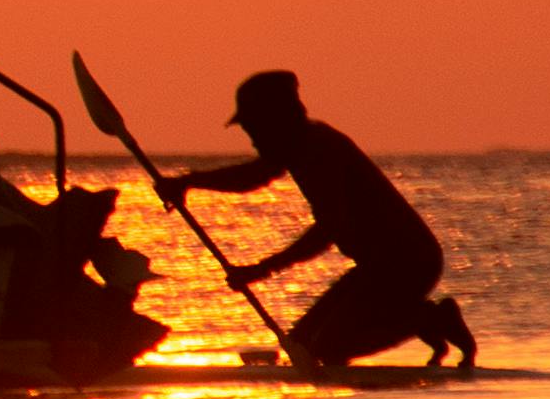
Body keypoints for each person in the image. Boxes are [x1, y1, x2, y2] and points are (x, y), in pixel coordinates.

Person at [173, 70, 475, 369]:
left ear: (276, 120)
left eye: (254, 127)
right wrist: (188, 182)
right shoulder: (296, 146)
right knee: (299, 346)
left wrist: (262, 270)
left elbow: (327, 230)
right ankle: (418, 318)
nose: (251, 139)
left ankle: (431, 319)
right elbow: (252, 176)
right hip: (374, 268)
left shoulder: (318, 149)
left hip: (406, 263)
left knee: (328, 350)